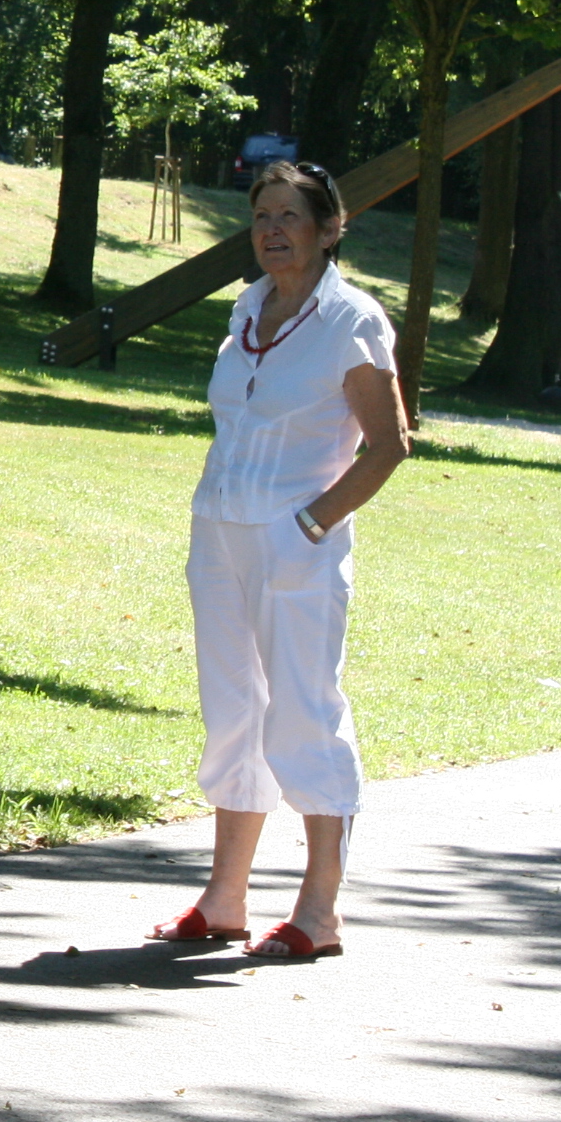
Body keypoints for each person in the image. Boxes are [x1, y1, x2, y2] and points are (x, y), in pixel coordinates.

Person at [151, 162, 408, 960]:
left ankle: (319, 910)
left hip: (296, 545)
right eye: (262, 215)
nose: (272, 230)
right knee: (233, 712)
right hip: (220, 532)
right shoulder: (248, 307)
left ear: (329, 229)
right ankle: (225, 898)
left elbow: (389, 444)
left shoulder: (352, 321)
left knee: (302, 713)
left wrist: (311, 522)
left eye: (291, 216)